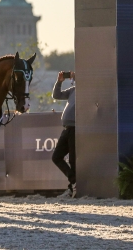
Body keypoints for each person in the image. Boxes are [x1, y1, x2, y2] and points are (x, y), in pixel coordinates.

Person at [52, 70, 76, 198]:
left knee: (73, 159)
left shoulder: (85, 90)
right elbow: (56, 95)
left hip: (76, 128)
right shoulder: (73, 90)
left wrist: (76, 76)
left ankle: (72, 187)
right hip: (67, 128)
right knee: (56, 157)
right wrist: (59, 82)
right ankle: (74, 182)